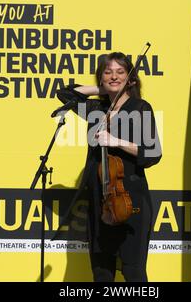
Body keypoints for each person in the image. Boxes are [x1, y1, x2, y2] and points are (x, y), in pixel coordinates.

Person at [55, 52, 162, 282]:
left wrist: (117, 142)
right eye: (108, 72)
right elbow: (64, 93)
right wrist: (102, 89)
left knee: (133, 271)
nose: (114, 76)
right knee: (101, 272)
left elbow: (153, 152)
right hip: (100, 201)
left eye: (120, 72)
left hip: (130, 200)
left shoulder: (139, 108)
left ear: (131, 79)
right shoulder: (97, 109)